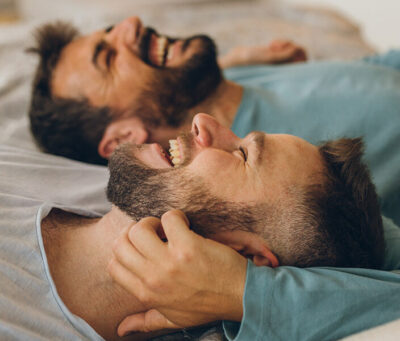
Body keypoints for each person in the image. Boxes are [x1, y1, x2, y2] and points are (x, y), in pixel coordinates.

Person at [1, 114, 397, 340]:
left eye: (242, 154)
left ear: (245, 257)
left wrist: (244, 294)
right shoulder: (75, 179)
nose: (203, 121)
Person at [27, 17, 400, 228]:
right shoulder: (276, 181)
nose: (131, 24)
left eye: (110, 30)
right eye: (108, 57)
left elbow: (377, 76)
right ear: (124, 136)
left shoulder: (220, 83)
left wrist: (237, 61)